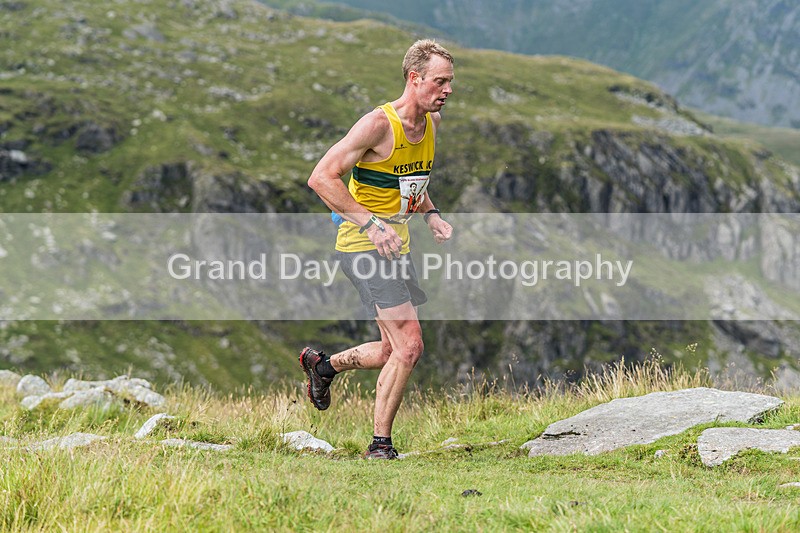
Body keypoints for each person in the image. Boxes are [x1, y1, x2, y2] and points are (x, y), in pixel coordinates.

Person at [301, 39, 455, 459]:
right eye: (440, 81)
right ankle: (379, 445)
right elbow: (321, 178)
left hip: (396, 246)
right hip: (363, 246)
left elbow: (410, 183)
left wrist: (432, 214)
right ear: (414, 78)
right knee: (410, 345)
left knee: (390, 350)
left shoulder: (431, 124)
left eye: (450, 82)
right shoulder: (377, 125)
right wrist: (370, 224)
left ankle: (323, 366)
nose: (447, 90)